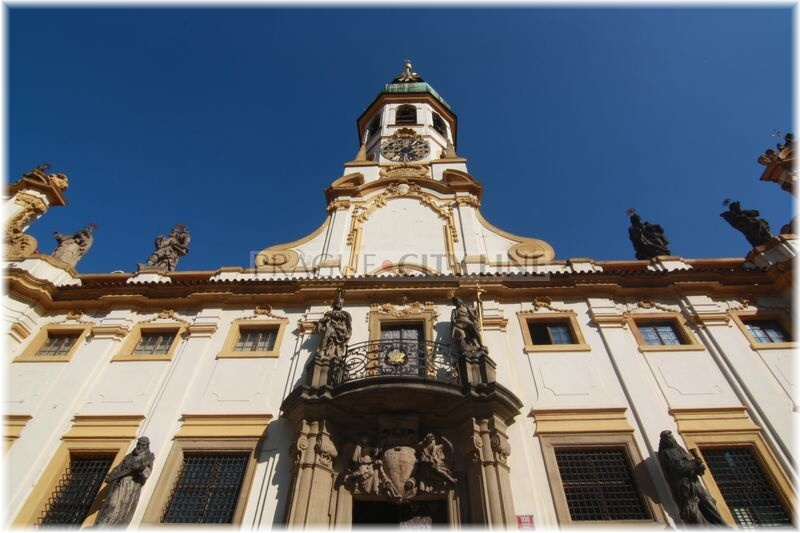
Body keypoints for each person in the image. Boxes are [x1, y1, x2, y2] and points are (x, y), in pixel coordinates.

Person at [657, 430, 725, 525]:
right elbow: (680, 466)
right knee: (692, 507)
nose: (671, 439)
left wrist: (699, 467)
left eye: (671, 437)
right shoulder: (667, 452)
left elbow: (689, 462)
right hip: (684, 484)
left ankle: (721, 525)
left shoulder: (679, 448)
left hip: (694, 480)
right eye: (668, 438)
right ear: (664, 441)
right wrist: (695, 463)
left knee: (708, 501)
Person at [95, 437, 155, 527]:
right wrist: (112, 475)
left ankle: (114, 526)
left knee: (123, 506)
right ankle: (102, 524)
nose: (140, 447)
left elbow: (147, 472)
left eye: (143, 445)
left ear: (147, 446)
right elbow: (118, 468)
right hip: (120, 482)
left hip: (131, 484)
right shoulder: (129, 456)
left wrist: (141, 469)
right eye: (138, 444)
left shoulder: (149, 456)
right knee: (112, 503)